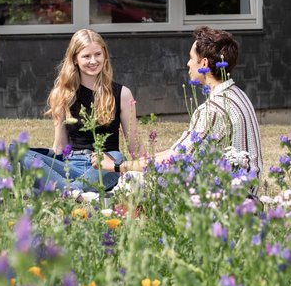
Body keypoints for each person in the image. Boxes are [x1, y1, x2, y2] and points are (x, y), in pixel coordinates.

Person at [94, 26, 263, 190]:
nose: (188, 63)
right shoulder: (238, 94)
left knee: (134, 180)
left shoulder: (212, 110)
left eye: (191, 57)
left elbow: (174, 158)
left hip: (229, 196)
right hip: (246, 188)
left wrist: (118, 166)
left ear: (203, 63)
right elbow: (178, 152)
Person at [19, 29, 140, 192]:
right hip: (70, 166)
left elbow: (135, 147)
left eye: (98, 54)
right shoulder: (62, 95)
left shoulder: (122, 94)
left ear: (104, 56)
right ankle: (75, 191)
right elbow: (60, 146)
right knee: (17, 152)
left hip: (105, 165)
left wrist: (150, 167)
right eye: (86, 56)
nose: (93, 61)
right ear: (75, 59)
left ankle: (64, 191)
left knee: (117, 157)